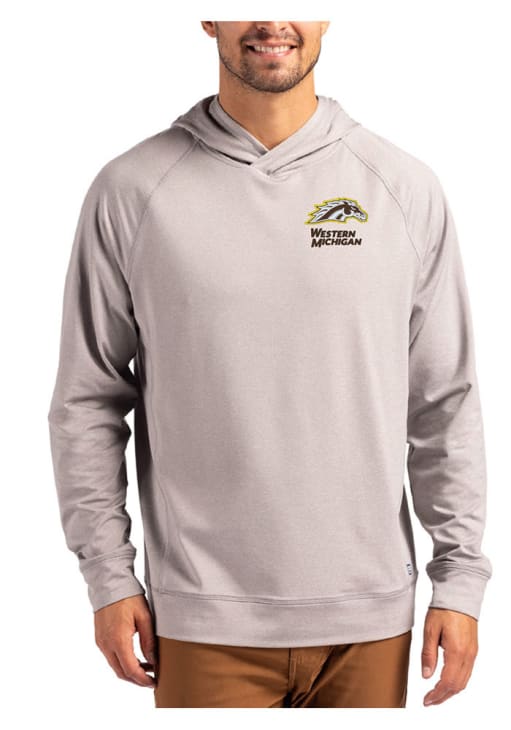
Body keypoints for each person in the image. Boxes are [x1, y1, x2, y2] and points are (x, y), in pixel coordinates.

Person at [47, 20, 493, 708]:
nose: (272, 20)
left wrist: (459, 581)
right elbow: (87, 399)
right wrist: (109, 577)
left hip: (370, 618)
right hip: (202, 615)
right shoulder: (131, 189)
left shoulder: (403, 188)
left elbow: (443, 401)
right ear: (207, 17)